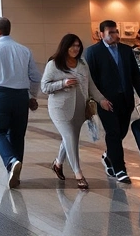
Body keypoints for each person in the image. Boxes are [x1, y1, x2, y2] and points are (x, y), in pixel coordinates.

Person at [0, 17, 41, 189]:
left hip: (0, 95)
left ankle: (11, 162)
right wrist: (32, 96)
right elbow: (35, 77)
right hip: (20, 97)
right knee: (18, 134)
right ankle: (15, 176)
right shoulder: (24, 50)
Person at [42, 34, 111, 190]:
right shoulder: (54, 64)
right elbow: (45, 87)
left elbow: (91, 85)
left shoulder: (82, 63)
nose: (75, 49)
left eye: (78, 46)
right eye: (72, 45)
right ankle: (78, 174)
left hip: (80, 108)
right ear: (65, 46)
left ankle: (58, 164)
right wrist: (62, 83)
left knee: (70, 139)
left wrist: (101, 100)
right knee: (69, 137)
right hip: (60, 109)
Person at [85, 19, 140, 184]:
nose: (115, 35)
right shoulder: (93, 52)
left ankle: (108, 156)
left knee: (121, 132)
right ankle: (120, 169)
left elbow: (135, 74)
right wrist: (99, 100)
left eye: (116, 31)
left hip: (126, 99)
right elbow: (91, 80)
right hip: (106, 101)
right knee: (113, 133)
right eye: (110, 32)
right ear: (101, 34)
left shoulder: (126, 50)